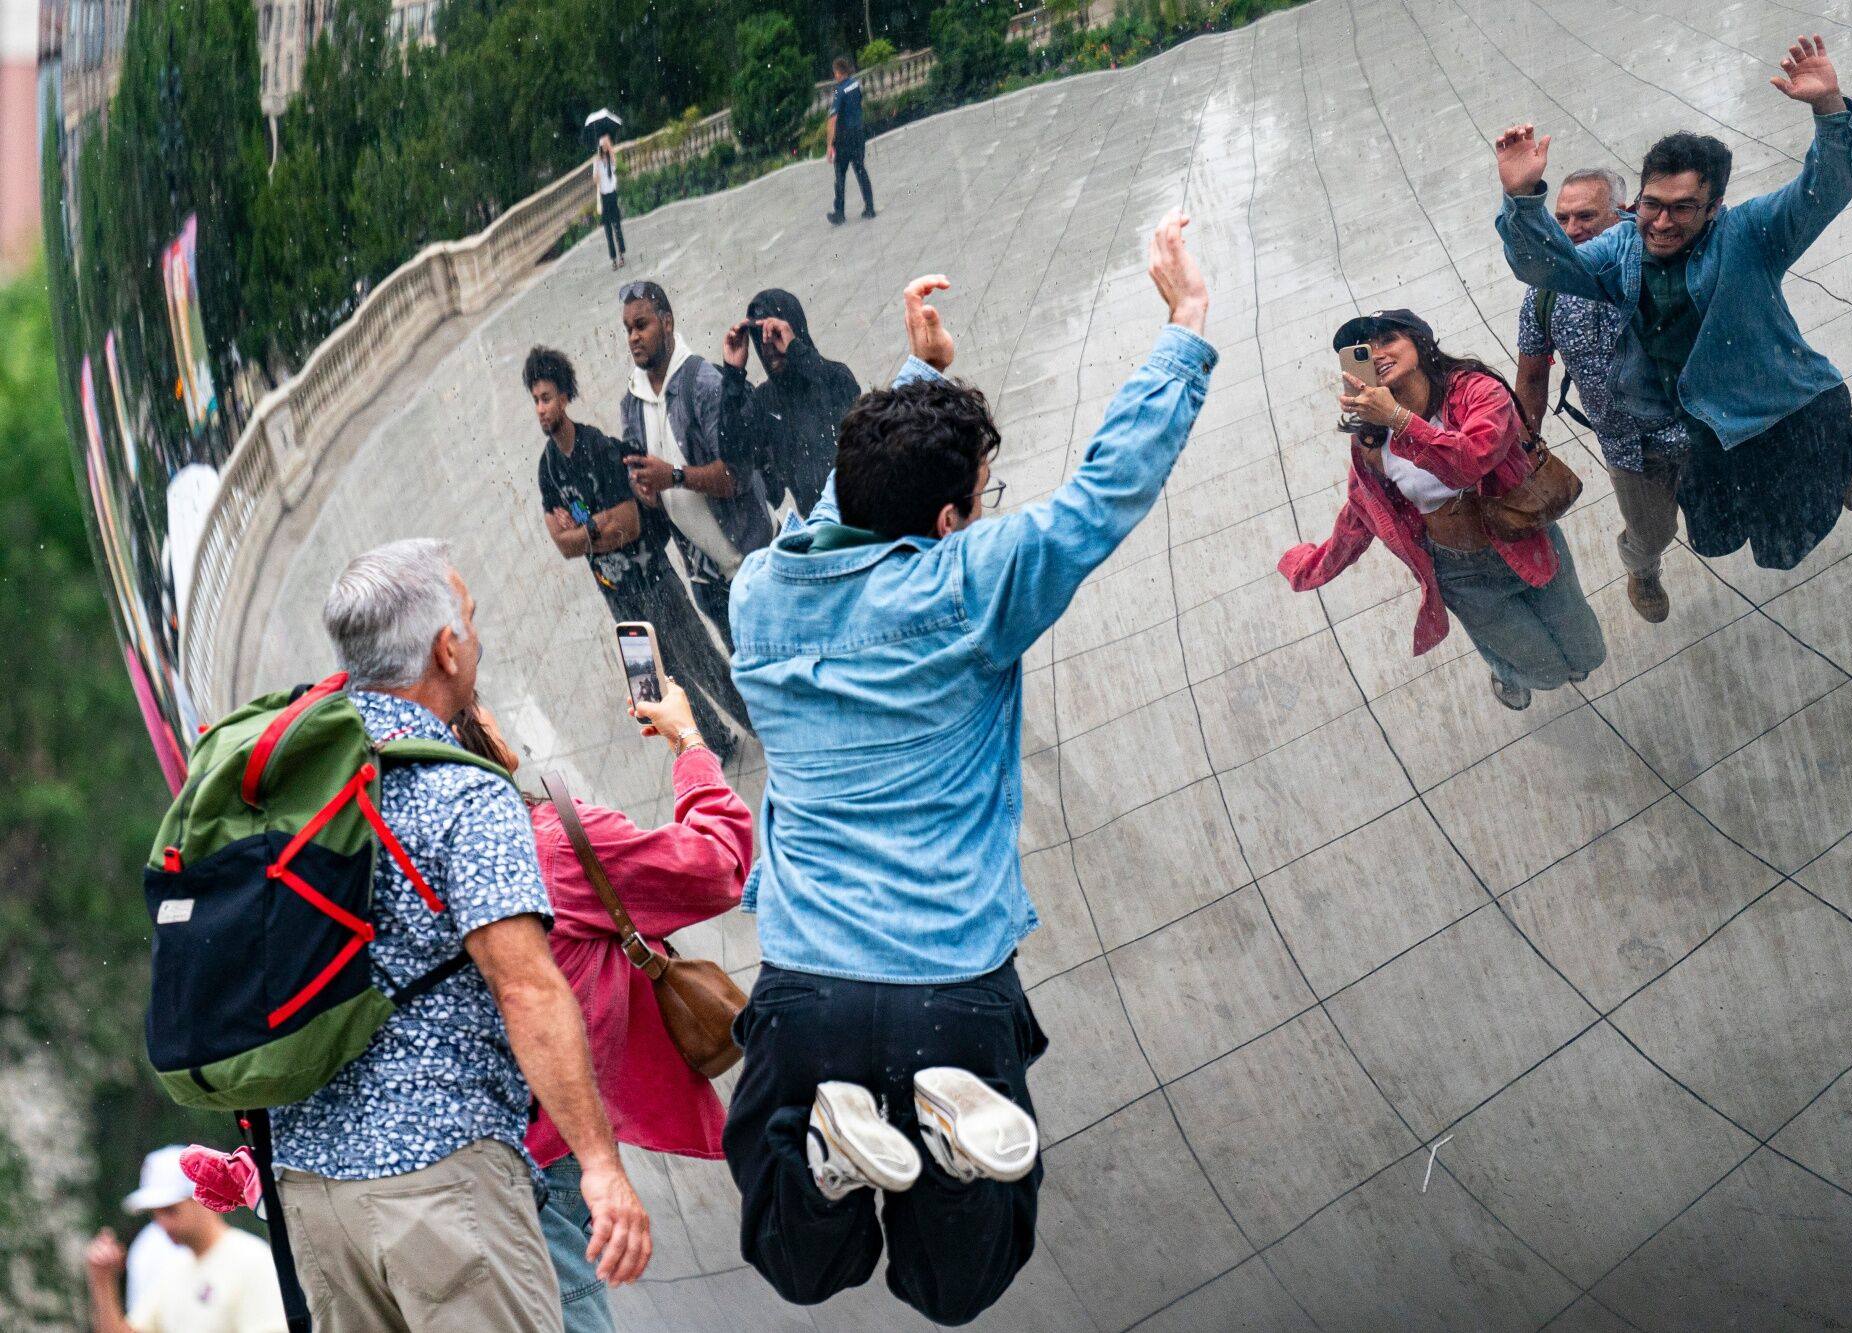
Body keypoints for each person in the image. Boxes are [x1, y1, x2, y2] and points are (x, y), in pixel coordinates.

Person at [722, 212, 1213, 1325]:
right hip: (952, 984)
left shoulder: (758, 593)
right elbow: (1100, 494)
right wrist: (1182, 326)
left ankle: (834, 1159)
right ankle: (944, 1149)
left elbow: (856, 509)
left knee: (797, 1263)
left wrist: (909, 383)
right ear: (950, 518)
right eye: (978, 500)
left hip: (811, 987)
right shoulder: (967, 585)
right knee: (957, 1284)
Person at [271, 538, 651, 1332]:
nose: (473, 638)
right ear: (446, 648)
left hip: (311, 1194)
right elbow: (524, 985)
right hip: (441, 1186)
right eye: (469, 621)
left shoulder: (289, 783)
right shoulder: (461, 791)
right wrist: (601, 1164)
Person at [1494, 34, 1852, 572]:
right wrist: (1521, 201)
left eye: (1684, 208)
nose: (1663, 224)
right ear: (1636, 201)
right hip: (1687, 431)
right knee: (1723, 535)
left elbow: (1826, 189)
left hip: (1775, 406)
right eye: (1652, 206)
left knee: (1794, 528)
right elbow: (1545, 269)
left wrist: (1829, 110)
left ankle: (1844, 453)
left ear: (1715, 207)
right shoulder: (1618, 247)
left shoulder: (1751, 232)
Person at [452, 683, 751, 1333]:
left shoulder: (417, 865)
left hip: (452, 1167)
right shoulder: (549, 843)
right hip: (538, 1163)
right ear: (471, 730)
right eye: (478, 698)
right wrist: (687, 741)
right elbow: (719, 863)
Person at [1280, 309, 1606, 711]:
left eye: (1388, 340)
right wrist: (1311, 567)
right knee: (1546, 673)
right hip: (1462, 574)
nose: (1377, 353)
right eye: (1364, 349)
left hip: (1526, 539)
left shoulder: (1476, 390)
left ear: (1420, 341)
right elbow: (1361, 514)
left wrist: (1399, 420)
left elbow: (1471, 459)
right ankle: (1505, 671)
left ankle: (1531, 661)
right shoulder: (1371, 441)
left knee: (1589, 655)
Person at [527, 344, 738, 762]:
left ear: (565, 397)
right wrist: (595, 530)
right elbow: (562, 546)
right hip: (615, 595)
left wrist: (584, 534)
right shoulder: (547, 468)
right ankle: (711, 747)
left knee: (701, 659)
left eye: (547, 398)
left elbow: (630, 524)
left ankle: (752, 721)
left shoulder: (598, 448)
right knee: (657, 681)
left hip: (653, 578)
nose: (540, 409)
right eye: (535, 400)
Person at [1513, 167, 1693, 624]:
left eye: (1586, 216)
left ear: (1625, 215)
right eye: (1563, 219)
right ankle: (1643, 571)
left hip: (1699, 424)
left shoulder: (1666, 265)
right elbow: (1533, 378)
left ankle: (1838, 446)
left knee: (1744, 500)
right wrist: (1524, 447)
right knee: (1649, 533)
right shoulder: (1543, 294)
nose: (1571, 230)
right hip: (1627, 449)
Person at [619, 280, 774, 663]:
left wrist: (672, 476)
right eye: (628, 330)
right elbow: (651, 491)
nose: (634, 337)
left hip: (756, 563)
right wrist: (646, 492)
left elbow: (735, 476)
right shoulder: (631, 405)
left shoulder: (703, 383)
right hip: (709, 583)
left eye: (642, 325)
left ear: (667, 323)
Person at [84, 1147, 284, 1333]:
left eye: (170, 1210)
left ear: (204, 1196)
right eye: (155, 1214)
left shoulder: (252, 1259)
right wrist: (103, 1282)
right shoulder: (173, 1268)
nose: (162, 1224)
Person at [719, 289, 862, 516]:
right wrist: (733, 376)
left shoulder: (834, 375)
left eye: (774, 334)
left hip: (863, 509)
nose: (769, 347)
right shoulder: (764, 401)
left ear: (793, 330)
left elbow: (841, 395)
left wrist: (796, 350)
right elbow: (734, 456)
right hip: (821, 525)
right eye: (760, 338)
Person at [825, 56, 875, 225]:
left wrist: (829, 145)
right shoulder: (855, 84)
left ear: (838, 73)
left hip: (844, 137)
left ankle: (839, 213)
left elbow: (832, 119)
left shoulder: (839, 91)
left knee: (840, 175)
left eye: (835, 73)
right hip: (858, 133)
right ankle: (870, 207)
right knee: (861, 170)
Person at [594, 134, 626, 270]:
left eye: (605, 146)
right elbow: (595, 180)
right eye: (602, 147)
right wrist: (596, 169)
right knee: (608, 231)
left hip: (612, 195)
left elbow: (614, 160)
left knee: (617, 226)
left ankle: (621, 255)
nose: (604, 149)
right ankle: (613, 259)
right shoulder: (597, 162)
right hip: (604, 197)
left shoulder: (610, 159)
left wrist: (608, 144)